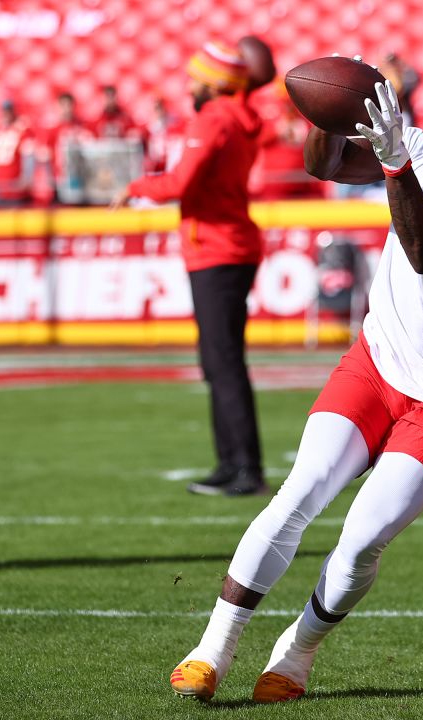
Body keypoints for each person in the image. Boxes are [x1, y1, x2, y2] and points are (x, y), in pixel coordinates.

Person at [167, 50, 423, 703]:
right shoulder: (419, 145)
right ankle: (213, 650)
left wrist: (397, 160)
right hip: (375, 363)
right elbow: (324, 163)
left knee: (360, 542)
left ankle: (298, 651)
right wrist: (331, 111)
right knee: (299, 493)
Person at [111, 40, 266, 497]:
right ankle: (231, 462)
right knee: (219, 363)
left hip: (218, 249)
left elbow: (181, 181)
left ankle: (244, 468)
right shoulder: (236, 117)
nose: (188, 86)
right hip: (228, 245)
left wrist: (136, 185)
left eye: (196, 78)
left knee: (222, 363)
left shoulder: (214, 117)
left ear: (214, 83)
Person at [0, 100, 34, 207]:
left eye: (9, 111)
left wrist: (26, 177)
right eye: (4, 111)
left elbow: (28, 157)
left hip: (16, 188)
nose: (6, 114)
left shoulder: (22, 131)